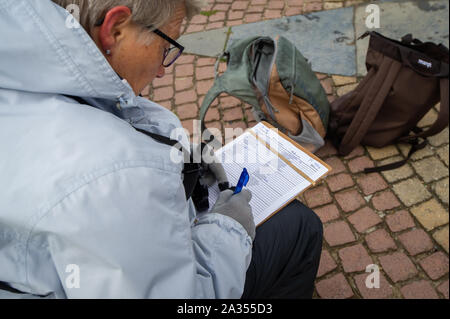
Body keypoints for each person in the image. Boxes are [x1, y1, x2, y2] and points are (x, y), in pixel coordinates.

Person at [0, 0, 323, 299]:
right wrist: (231, 228)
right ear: (115, 29)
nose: (162, 70)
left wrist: (178, 162)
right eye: (166, 46)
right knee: (299, 226)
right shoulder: (117, 175)